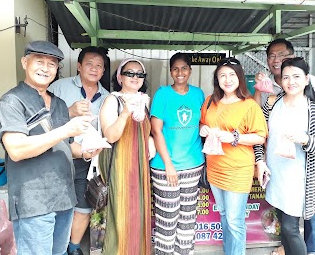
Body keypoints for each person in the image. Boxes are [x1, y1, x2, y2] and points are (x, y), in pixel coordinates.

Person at [0, 41, 96, 255]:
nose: (46, 68)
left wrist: (86, 151)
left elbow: (65, 146)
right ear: (24, 62)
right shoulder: (11, 102)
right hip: (34, 201)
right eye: (39, 62)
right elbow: (17, 149)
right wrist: (67, 129)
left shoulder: (57, 103)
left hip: (64, 198)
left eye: (52, 64)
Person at [254, 38, 315, 255]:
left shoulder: (314, 109)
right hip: (277, 175)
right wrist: (260, 161)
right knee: (284, 227)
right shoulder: (273, 102)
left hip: (300, 178)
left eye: (297, 77)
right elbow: (260, 134)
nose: (291, 81)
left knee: (290, 228)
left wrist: (307, 140)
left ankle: (313, 251)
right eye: (287, 77)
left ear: (307, 79)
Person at [199, 57, 268, 255]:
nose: (227, 79)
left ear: (239, 78)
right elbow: (202, 123)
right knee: (223, 215)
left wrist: (233, 137)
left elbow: (259, 136)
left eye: (231, 75)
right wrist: (203, 129)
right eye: (222, 75)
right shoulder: (210, 101)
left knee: (234, 221)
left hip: (238, 170)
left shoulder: (249, 105)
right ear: (217, 79)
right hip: (215, 168)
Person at [48, 46, 109, 255]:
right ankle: (58, 248)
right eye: (90, 64)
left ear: (103, 71)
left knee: (84, 206)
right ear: (79, 66)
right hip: (60, 157)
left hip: (89, 161)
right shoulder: (58, 88)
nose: (94, 69)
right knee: (59, 206)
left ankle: (74, 247)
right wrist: (69, 112)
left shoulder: (107, 97)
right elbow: (43, 123)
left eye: (99, 66)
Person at [98, 58, 154, 255]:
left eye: (139, 74)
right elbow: (111, 135)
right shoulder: (112, 100)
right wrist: (125, 113)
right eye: (130, 73)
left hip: (139, 167)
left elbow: (147, 132)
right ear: (120, 77)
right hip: (119, 167)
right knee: (120, 217)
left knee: (139, 216)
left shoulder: (145, 100)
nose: (135, 77)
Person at [150, 53, 205, 254]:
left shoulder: (198, 94)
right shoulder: (162, 94)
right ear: (170, 71)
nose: (180, 72)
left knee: (187, 219)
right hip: (165, 167)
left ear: (190, 71)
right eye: (175, 68)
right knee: (168, 218)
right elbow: (156, 130)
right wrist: (169, 165)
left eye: (184, 68)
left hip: (193, 164)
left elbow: (202, 123)